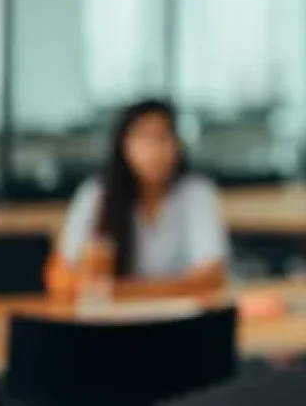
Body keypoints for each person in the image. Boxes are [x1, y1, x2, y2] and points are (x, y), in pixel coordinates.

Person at [46, 99, 229, 300]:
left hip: (180, 320)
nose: (155, 150)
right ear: (123, 144)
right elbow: (60, 278)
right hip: (112, 324)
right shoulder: (97, 194)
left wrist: (117, 291)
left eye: (163, 137)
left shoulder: (196, 193)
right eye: (144, 138)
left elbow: (211, 277)